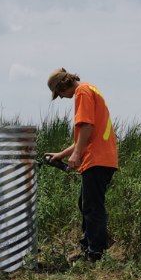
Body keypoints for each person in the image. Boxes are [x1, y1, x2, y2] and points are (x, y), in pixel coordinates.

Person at [45, 68, 118, 263]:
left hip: (97, 158)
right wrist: (62, 154)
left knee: (92, 207)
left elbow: (86, 127)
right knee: (86, 204)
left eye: (59, 93)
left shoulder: (82, 92)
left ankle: (95, 253)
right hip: (103, 157)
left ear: (63, 85)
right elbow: (85, 135)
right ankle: (90, 247)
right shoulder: (90, 89)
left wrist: (77, 154)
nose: (61, 98)